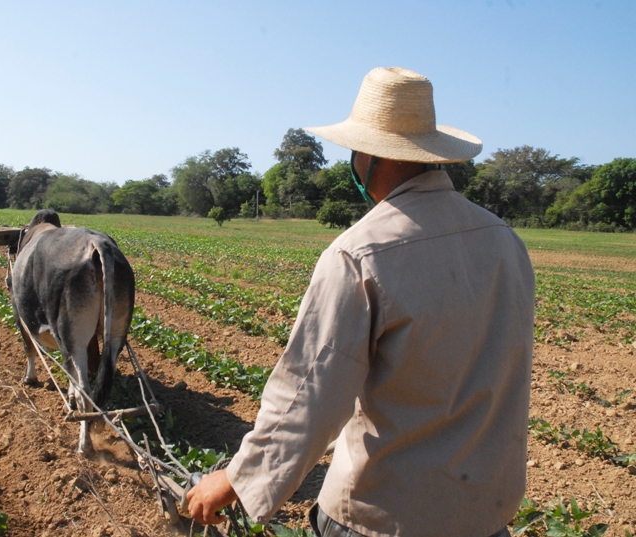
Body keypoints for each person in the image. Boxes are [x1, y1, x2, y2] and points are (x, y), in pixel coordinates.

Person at [186, 67, 535, 537]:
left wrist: (235, 478)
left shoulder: (360, 253)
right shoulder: (504, 241)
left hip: (383, 515)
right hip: (485, 516)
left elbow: (308, 392)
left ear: (367, 155)